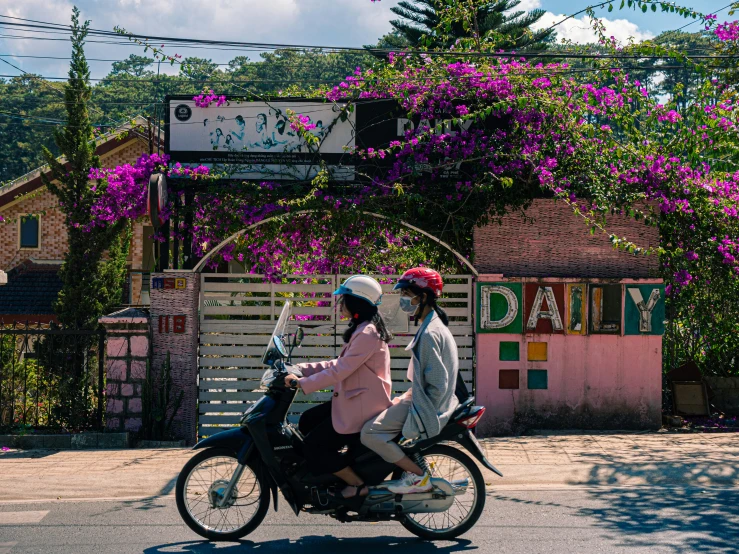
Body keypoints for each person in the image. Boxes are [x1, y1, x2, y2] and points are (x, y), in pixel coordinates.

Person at [284, 275, 393, 504]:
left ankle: (356, 484)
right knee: (307, 420)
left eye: (343, 299)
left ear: (356, 303)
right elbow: (337, 364)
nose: (340, 304)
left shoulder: (367, 334)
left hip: (363, 407)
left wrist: (301, 383)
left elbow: (340, 370)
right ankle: (334, 472)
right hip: (356, 401)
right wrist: (302, 369)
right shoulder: (362, 330)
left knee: (314, 447)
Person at [360, 267, 460, 494]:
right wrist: (405, 398)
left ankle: (418, 476)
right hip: (419, 399)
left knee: (369, 433)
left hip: (425, 406)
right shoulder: (433, 326)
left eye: (407, 294)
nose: (404, 300)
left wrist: (418, 415)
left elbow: (437, 384)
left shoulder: (429, 333)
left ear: (423, 297)